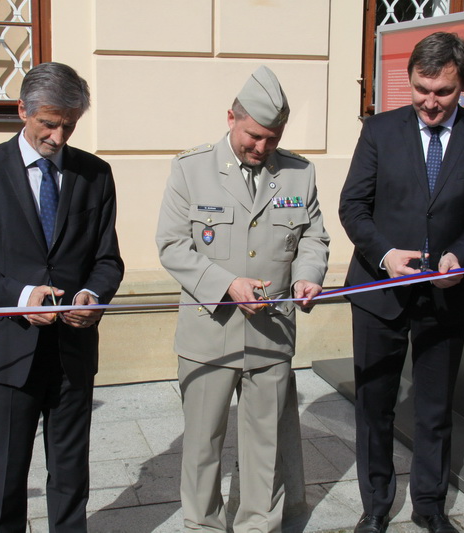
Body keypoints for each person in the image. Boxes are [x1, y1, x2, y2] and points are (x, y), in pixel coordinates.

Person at [338, 32, 464, 533]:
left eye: (443, 93)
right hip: (378, 291)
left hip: (446, 296)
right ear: (409, 81)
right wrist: (386, 254)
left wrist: (463, 253)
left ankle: (429, 507)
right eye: (421, 89)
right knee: (375, 407)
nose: (430, 103)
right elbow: (353, 205)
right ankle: (375, 507)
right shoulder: (380, 131)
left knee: (434, 410)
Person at [0, 62, 124, 533]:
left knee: (70, 476)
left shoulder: (95, 174)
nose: (58, 136)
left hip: (72, 353)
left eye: (69, 125)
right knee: (7, 475)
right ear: (22, 109)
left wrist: (91, 295)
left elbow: (108, 259)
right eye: (49, 123)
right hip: (10, 353)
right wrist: (23, 296)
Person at [155, 66, 330, 533]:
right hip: (208, 335)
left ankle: (260, 525)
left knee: (265, 447)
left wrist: (308, 276)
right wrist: (226, 285)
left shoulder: (299, 173)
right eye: (254, 136)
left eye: (272, 138)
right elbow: (172, 246)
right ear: (231, 116)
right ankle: (204, 526)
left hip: (272, 334)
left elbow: (314, 238)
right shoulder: (190, 170)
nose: (262, 148)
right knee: (203, 446)